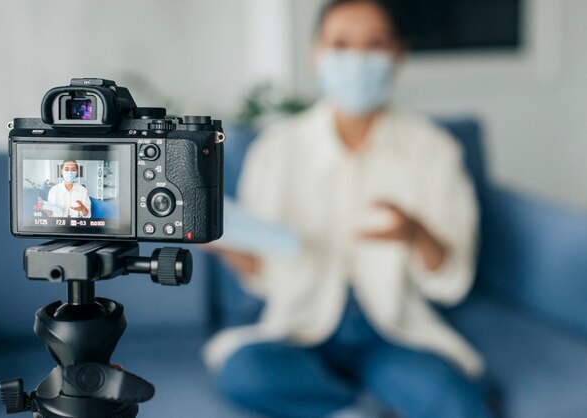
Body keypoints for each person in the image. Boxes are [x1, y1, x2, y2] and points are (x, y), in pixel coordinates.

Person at [205, 0, 494, 417]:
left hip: (394, 335)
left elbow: (451, 282)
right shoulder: (276, 149)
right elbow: (264, 279)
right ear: (316, 53)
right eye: (341, 44)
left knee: (457, 401)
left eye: (374, 45)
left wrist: (416, 233)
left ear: (399, 54)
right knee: (243, 372)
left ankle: (355, 395)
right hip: (300, 331)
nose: (356, 59)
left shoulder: (435, 151)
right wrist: (228, 245)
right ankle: (353, 408)